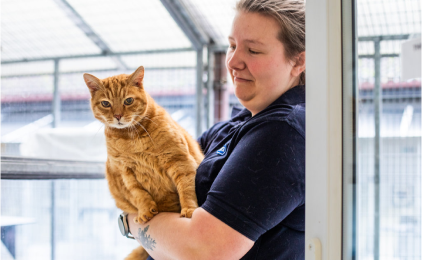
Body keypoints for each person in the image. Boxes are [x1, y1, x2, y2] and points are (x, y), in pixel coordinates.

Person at [127, 0, 306, 259]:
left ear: (298, 61)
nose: (233, 62)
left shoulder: (282, 134)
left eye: (253, 51)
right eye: (232, 45)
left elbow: (203, 250)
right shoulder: (235, 125)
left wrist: (132, 219)